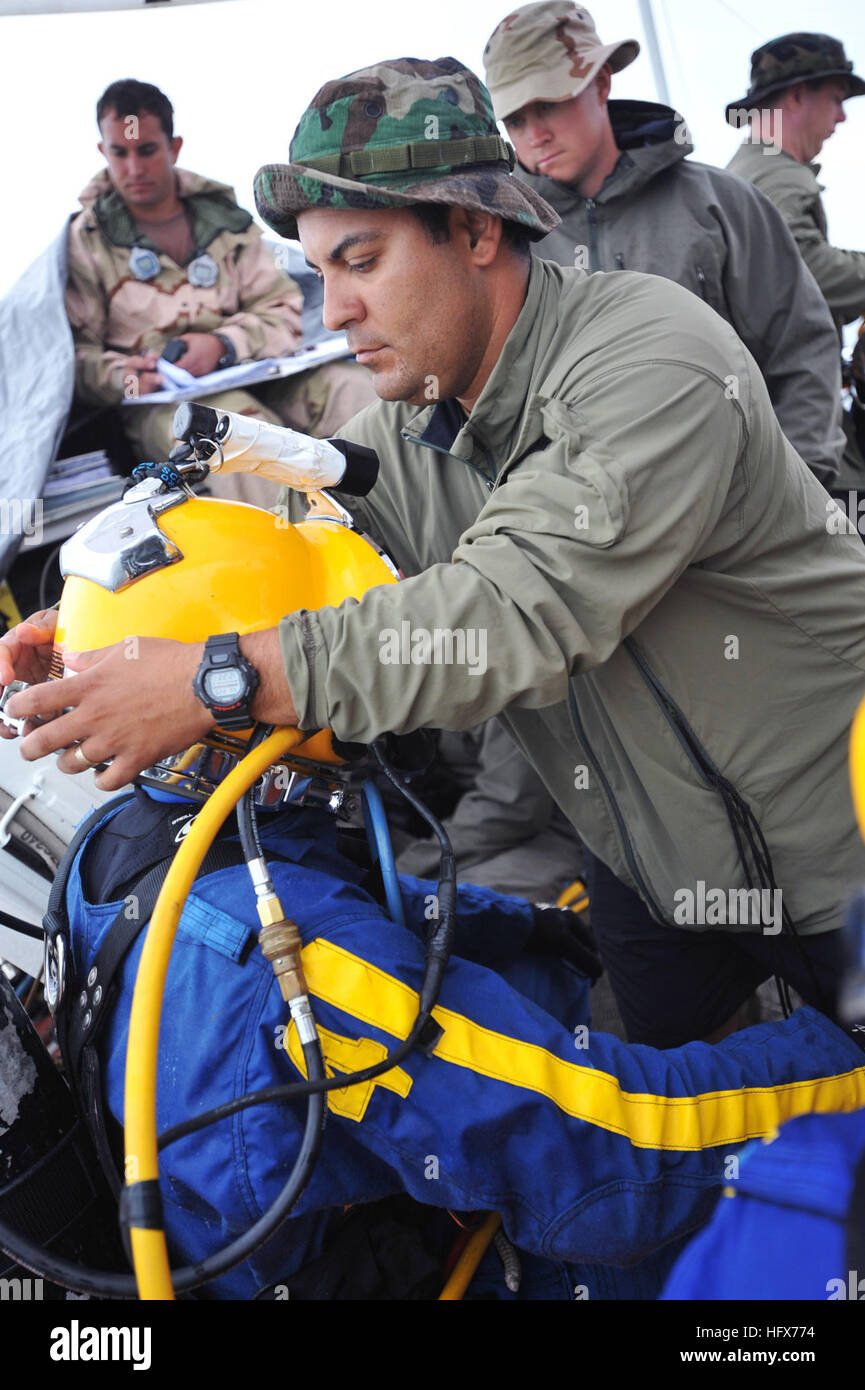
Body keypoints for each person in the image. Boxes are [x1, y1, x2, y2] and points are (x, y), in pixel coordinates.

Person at [6, 57, 865, 1056]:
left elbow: (513, 609)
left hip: (832, 860)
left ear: (476, 228)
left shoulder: (650, 353)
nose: (332, 310)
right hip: (655, 872)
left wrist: (217, 681)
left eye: (362, 260)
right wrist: (111, 628)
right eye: (321, 271)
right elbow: (319, 554)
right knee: (679, 1167)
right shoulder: (422, 430)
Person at [482, 1, 845, 488]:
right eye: (515, 119)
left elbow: (801, 351)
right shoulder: (502, 246)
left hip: (743, 523)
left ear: (602, 83)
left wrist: (796, 488)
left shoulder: (722, 205)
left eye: (548, 104)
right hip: (584, 537)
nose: (535, 135)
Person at [65, 78, 375, 504]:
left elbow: (283, 313)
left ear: (173, 148)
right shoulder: (87, 241)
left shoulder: (225, 220)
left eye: (147, 150)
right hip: (162, 406)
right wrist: (127, 378)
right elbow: (73, 361)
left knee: (354, 390)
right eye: (120, 152)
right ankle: (294, 555)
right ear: (104, 152)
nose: (134, 168)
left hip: (259, 372)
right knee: (235, 432)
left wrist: (222, 345)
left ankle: (404, 530)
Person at [725, 32, 865, 485]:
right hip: (794, 416)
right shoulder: (774, 175)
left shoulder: (752, 169)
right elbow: (806, 272)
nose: (843, 116)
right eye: (837, 99)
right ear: (798, 94)